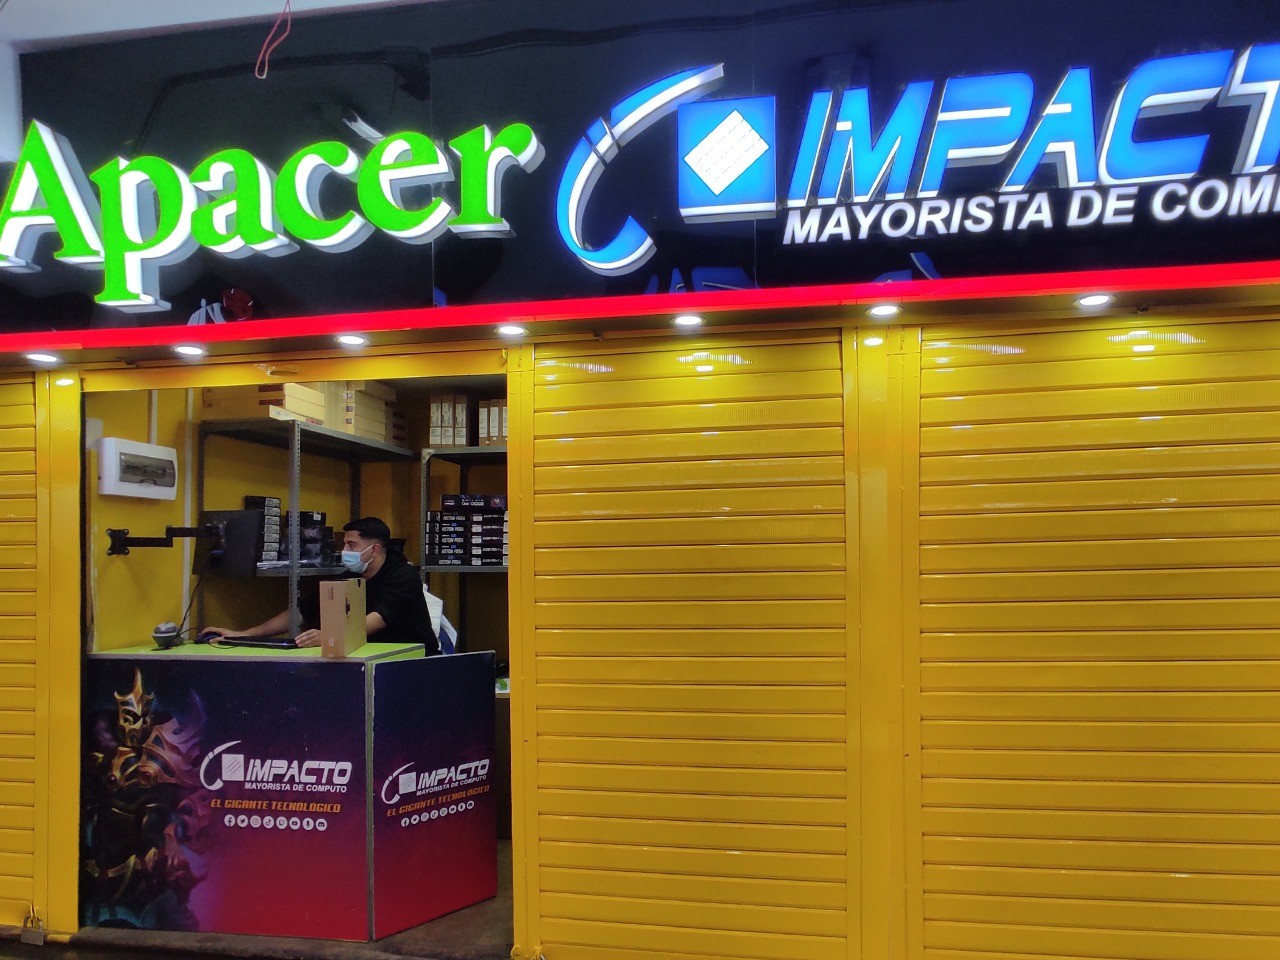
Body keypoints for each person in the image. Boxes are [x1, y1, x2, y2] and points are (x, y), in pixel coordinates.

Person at [203, 517, 439, 654]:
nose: (344, 550)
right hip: (366, 658)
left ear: (374, 549)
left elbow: (377, 619)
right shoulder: (348, 577)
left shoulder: (404, 576)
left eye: (351, 545)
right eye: (344, 544)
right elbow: (301, 612)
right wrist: (243, 635)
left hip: (412, 661)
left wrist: (329, 636)